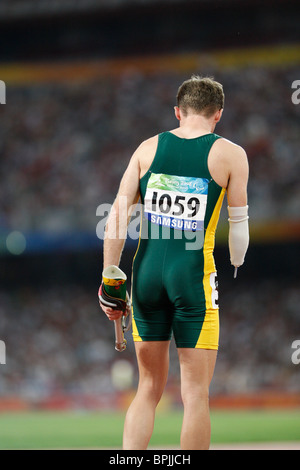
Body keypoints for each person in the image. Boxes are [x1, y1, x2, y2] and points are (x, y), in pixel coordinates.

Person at [100, 75, 249, 450]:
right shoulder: (230, 154)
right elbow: (240, 230)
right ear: (218, 114)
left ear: (178, 112)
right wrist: (236, 260)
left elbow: (118, 215)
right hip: (193, 277)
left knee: (147, 388)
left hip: (146, 273)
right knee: (195, 392)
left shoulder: (146, 150)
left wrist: (110, 280)